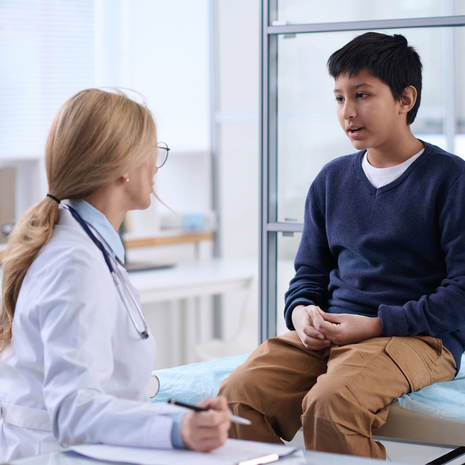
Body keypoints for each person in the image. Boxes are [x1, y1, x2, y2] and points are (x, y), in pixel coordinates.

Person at [219, 32, 465, 459]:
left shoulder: (451, 180)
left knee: (331, 403)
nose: (348, 112)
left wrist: (373, 325)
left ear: (406, 98)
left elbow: (462, 294)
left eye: (363, 94)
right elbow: (308, 276)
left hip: (424, 339)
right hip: (332, 333)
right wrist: (301, 313)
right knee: (235, 399)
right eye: (338, 98)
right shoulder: (331, 179)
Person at [0, 89, 231, 461]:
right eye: (152, 153)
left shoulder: (85, 246)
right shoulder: (74, 263)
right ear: (123, 166)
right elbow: (74, 411)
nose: (155, 168)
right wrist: (176, 428)